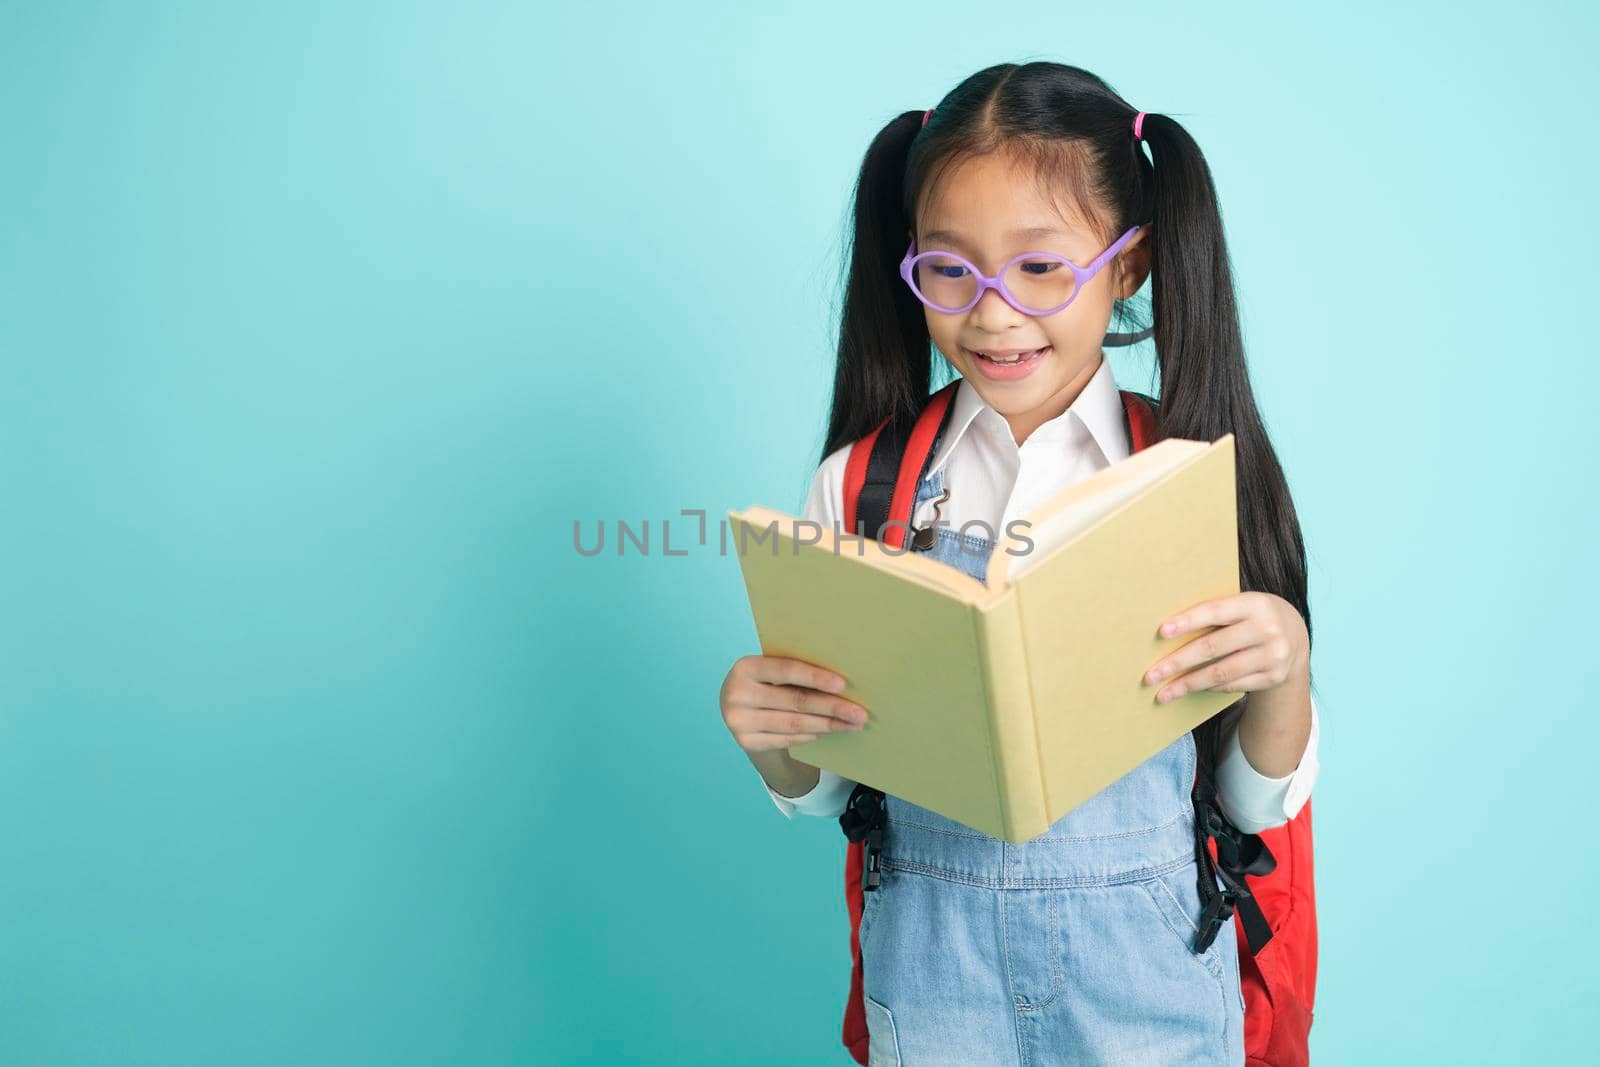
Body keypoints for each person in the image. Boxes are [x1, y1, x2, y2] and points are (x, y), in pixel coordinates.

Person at [719, 61, 1319, 1065]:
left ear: (1128, 264)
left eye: (1042, 267)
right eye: (948, 269)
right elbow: (829, 795)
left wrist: (1284, 666)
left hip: (1149, 968)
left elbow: (1256, 808)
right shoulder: (859, 489)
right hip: (934, 968)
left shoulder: (1185, 484)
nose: (992, 315)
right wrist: (767, 729)